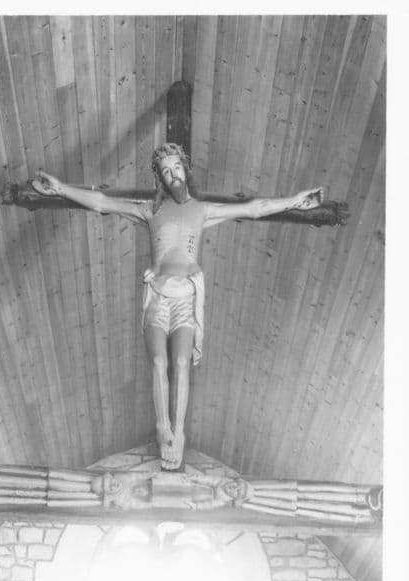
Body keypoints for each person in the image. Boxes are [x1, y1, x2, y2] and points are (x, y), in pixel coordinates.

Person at [32, 143, 323, 469]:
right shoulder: (150, 210)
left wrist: (295, 201)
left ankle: (179, 432)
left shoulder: (203, 210)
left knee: (182, 362)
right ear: (160, 177)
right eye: (166, 171)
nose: (173, 175)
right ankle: (162, 428)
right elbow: (102, 203)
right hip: (158, 295)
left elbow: (254, 208)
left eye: (176, 167)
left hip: (185, 298)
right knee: (159, 361)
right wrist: (60, 188)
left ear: (186, 169)